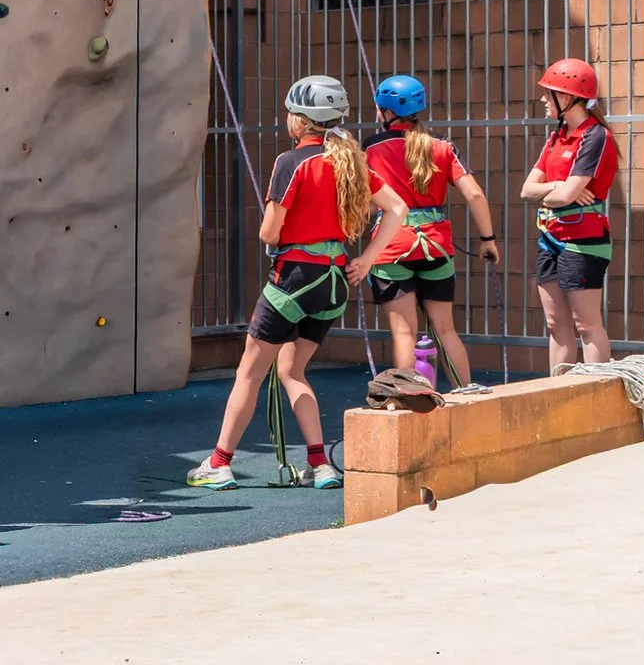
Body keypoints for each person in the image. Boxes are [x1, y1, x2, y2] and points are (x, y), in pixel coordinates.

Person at [188, 77, 406, 492]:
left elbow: (270, 234)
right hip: (336, 278)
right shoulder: (353, 163)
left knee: (249, 373)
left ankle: (219, 463)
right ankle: (320, 464)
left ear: (301, 121)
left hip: (295, 277)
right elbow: (397, 208)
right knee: (292, 369)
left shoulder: (292, 162)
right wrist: (367, 259)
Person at [364, 75, 497, 390]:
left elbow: (368, 203)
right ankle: (466, 395)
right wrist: (487, 240)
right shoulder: (442, 145)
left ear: (386, 111)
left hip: (392, 247)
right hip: (435, 247)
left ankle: (410, 399)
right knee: (445, 330)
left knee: (404, 333)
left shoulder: (372, 147)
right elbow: (475, 194)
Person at [521, 57, 618, 368]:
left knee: (586, 325)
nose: (542, 99)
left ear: (567, 96)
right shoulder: (557, 135)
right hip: (550, 237)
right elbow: (526, 190)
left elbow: (562, 197)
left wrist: (556, 191)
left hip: (583, 240)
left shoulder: (595, 136)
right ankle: (557, 392)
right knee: (555, 324)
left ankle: (596, 391)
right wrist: (561, 185)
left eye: (548, 93)